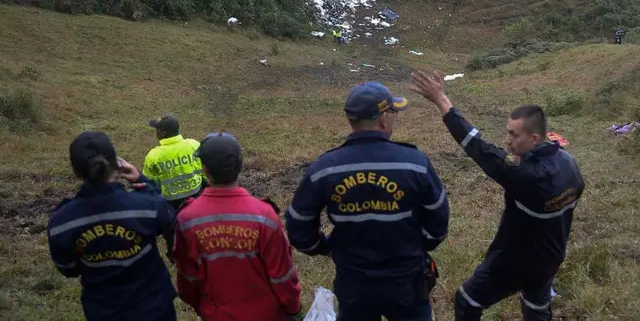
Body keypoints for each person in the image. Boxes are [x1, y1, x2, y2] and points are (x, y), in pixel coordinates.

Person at [409, 71, 585, 321]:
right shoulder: (569, 164)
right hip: (551, 258)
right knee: (536, 306)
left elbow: (477, 146)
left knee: (466, 300)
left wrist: (440, 100)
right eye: (508, 132)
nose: (507, 140)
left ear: (534, 138)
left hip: (515, 262)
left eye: (514, 135)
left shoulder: (525, 176)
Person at [286, 81, 450, 321]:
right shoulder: (414, 163)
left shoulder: (325, 168)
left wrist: (324, 247)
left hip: (354, 283)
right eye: (394, 112)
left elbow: (298, 224)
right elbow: (438, 219)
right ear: (383, 118)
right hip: (407, 281)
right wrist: (419, 246)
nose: (395, 118)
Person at [47, 131, 177, 321]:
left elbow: (68, 268)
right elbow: (169, 220)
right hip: (155, 308)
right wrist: (143, 181)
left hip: (103, 312)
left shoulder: (62, 222)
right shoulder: (147, 206)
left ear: (76, 171)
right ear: (116, 164)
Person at [173, 132, 302, 321]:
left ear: (205, 169)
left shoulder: (187, 219)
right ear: (240, 166)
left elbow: (187, 279)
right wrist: (293, 307)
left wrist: (202, 307)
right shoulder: (264, 215)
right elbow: (282, 275)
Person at [143, 113, 204, 211]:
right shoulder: (194, 145)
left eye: (157, 130)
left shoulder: (154, 156)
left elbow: (150, 184)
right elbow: (205, 172)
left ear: (163, 133)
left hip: (170, 205)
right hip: (196, 198)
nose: (156, 133)